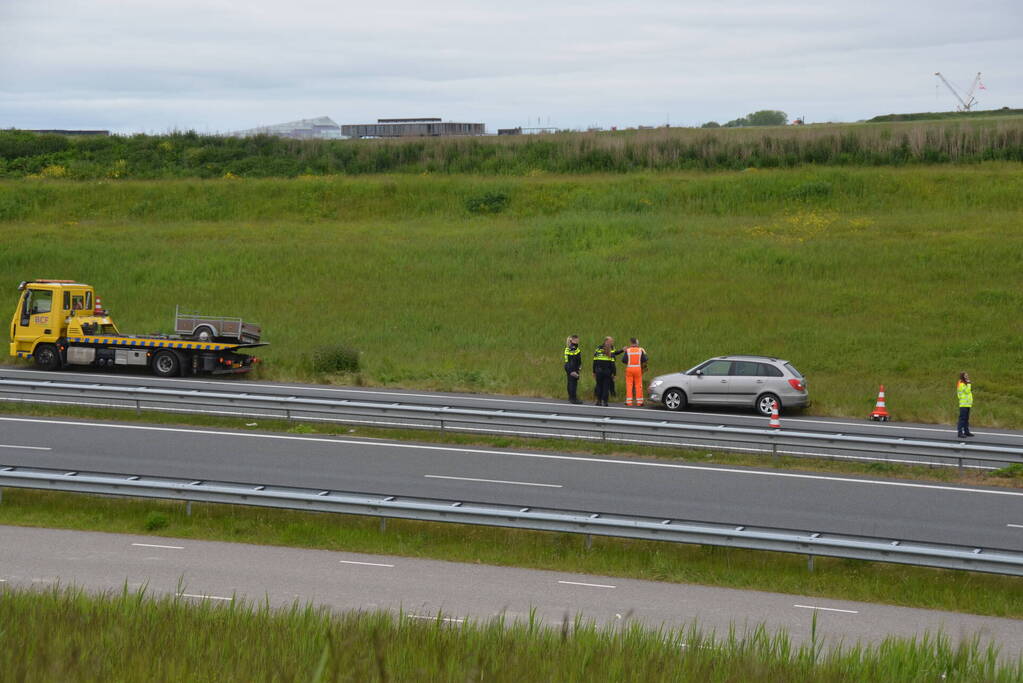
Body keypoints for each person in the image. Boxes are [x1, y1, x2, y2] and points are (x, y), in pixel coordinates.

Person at [620, 337, 648, 406]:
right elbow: (645, 359)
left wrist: (629, 361)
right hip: (638, 369)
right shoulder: (640, 350)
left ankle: (629, 402)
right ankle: (640, 402)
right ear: (637, 343)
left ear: (631, 343)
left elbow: (623, 360)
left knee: (629, 385)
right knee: (638, 385)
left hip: (629, 369)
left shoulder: (628, 350)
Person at [592, 337, 618, 406]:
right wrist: (614, 374)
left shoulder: (598, 350)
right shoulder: (610, 353)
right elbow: (613, 365)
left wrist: (594, 371)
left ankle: (598, 401)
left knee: (599, 386)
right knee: (606, 387)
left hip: (598, 371)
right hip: (607, 372)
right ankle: (605, 402)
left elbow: (594, 362)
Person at [563, 335, 583, 404]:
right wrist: (573, 371)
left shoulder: (572, 347)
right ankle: (573, 398)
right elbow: (572, 360)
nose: (578, 341)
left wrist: (579, 365)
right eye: (577, 340)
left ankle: (571, 397)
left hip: (570, 366)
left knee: (570, 382)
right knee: (573, 383)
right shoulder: (572, 348)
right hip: (571, 367)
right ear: (573, 340)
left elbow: (578, 359)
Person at [956, 372, 974, 438]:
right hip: (963, 404)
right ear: (962, 376)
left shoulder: (964, 383)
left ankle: (966, 432)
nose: (967, 376)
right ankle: (960, 433)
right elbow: (967, 391)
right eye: (965, 375)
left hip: (967, 404)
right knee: (962, 419)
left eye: (967, 375)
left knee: (966, 419)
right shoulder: (961, 383)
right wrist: (969, 384)